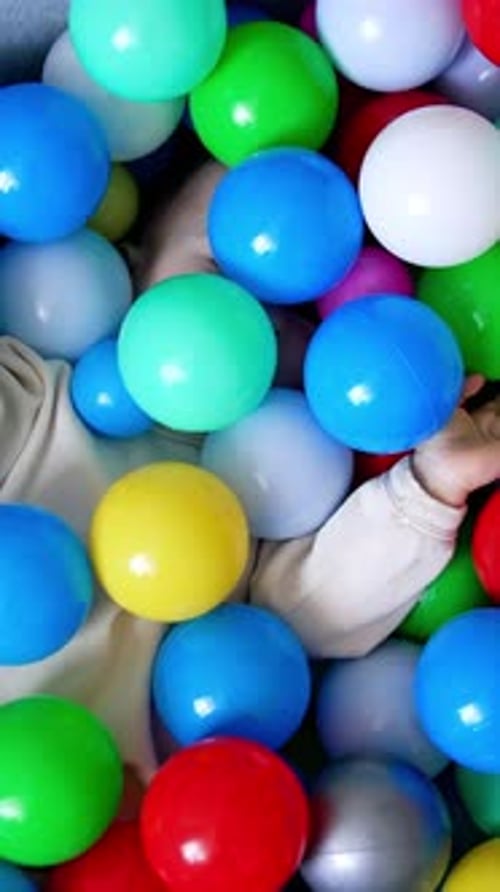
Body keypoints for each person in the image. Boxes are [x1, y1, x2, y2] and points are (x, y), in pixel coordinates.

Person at [0, 157, 498, 788]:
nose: (263, 316)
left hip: (99, 779)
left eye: (306, 320)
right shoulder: (35, 399)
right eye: (223, 268)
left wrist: (430, 486)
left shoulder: (263, 510)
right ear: (125, 269)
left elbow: (315, 609)